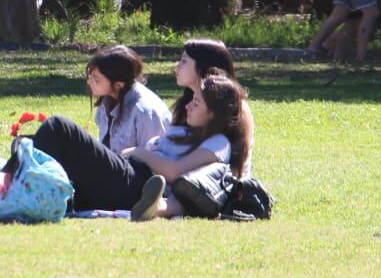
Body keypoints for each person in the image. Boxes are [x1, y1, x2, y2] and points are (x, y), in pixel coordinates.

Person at [30, 72, 247, 220]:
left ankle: (19, 188)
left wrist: (139, 151)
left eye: (197, 103)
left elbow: (174, 172)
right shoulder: (188, 131)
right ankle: (22, 188)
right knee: (44, 148)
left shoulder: (219, 143)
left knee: (60, 127)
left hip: (139, 182)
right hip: (129, 176)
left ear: (214, 114)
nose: (189, 106)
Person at [172, 39, 255, 175]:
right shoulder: (186, 104)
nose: (177, 65)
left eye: (184, 61)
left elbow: (237, 160)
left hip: (215, 186)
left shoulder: (237, 107)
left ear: (203, 66)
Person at [86, 45, 171, 155]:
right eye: (90, 76)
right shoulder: (107, 100)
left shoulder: (146, 112)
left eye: (96, 80)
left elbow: (158, 160)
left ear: (119, 85)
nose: (89, 82)